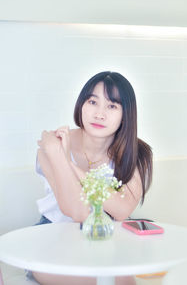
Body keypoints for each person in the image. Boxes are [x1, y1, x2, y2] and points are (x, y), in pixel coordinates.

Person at [32, 71, 153, 285]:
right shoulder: (53, 145)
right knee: (96, 281)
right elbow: (77, 212)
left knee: (121, 280)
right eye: (92, 102)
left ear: (126, 114)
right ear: (81, 104)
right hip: (54, 235)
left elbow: (122, 210)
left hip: (108, 238)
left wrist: (69, 163)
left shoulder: (137, 152)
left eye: (112, 106)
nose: (99, 114)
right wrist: (58, 155)